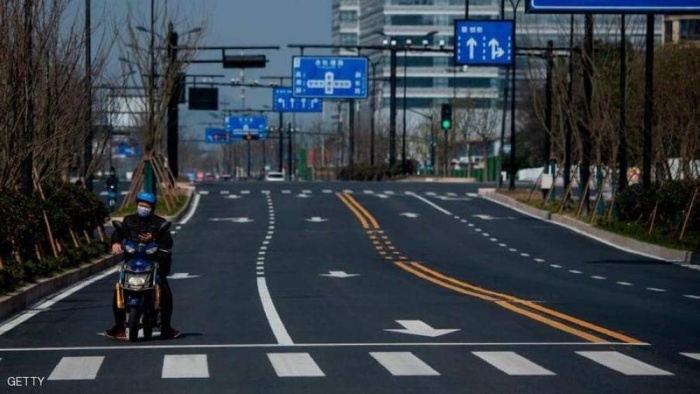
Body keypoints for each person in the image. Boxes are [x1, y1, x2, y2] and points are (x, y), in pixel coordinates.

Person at [104, 191, 181, 340]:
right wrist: (115, 242)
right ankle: (119, 327)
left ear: (152, 208)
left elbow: (167, 241)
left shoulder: (159, 223)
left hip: (152, 263)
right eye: (141, 205)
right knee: (119, 290)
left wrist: (155, 238)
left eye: (146, 206)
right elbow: (118, 233)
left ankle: (166, 328)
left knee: (165, 291)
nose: (143, 208)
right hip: (132, 263)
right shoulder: (128, 220)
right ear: (137, 205)